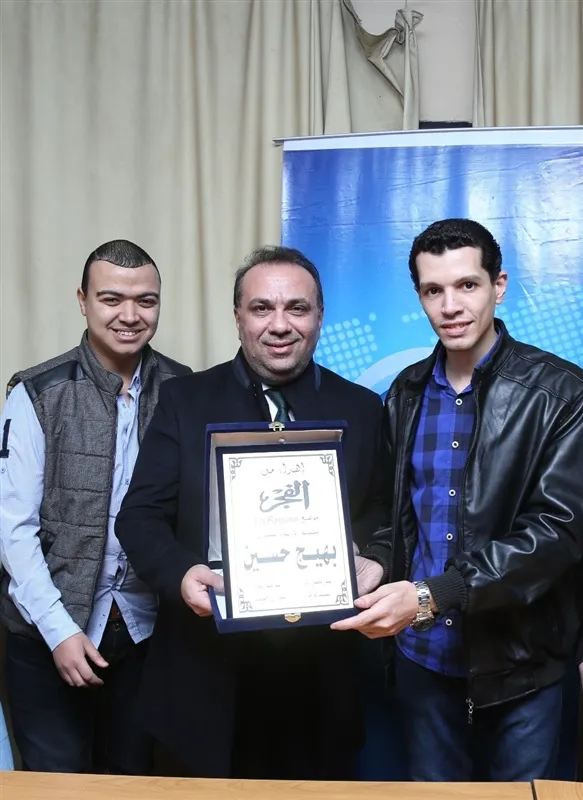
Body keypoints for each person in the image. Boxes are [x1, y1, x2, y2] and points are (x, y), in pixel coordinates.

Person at [115, 245, 389, 780]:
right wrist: (181, 573)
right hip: (205, 679)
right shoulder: (185, 400)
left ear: (320, 316)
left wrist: (376, 557)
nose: (279, 325)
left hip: (321, 683)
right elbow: (139, 516)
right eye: (262, 308)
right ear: (238, 316)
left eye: (297, 308)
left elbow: (384, 509)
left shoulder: (362, 407)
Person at [334, 218, 583, 781]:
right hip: (423, 659)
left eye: (467, 285)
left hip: (522, 663)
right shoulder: (405, 392)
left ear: (499, 285)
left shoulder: (562, 394)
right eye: (433, 290)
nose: (450, 306)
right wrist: (375, 560)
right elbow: (399, 514)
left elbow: (556, 533)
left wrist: (432, 594)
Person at [0, 239, 191, 773]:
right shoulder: (37, 392)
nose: (130, 315)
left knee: (137, 781)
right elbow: (13, 530)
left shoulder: (185, 390)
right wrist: (59, 632)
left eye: (146, 301)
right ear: (83, 301)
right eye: (111, 299)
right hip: (46, 634)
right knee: (57, 785)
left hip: (149, 633)